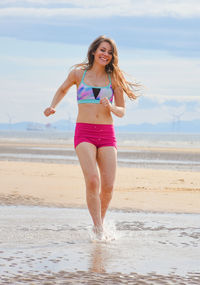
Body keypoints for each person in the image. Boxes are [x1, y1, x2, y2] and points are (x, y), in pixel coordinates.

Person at [44, 35, 138, 236]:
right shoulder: (79, 73)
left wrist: (111, 106)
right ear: (94, 51)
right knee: (93, 180)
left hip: (106, 134)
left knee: (109, 186)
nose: (106, 54)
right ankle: (98, 228)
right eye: (103, 50)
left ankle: (99, 222)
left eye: (110, 52)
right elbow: (62, 89)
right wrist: (53, 106)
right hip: (84, 132)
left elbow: (122, 111)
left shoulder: (114, 78)